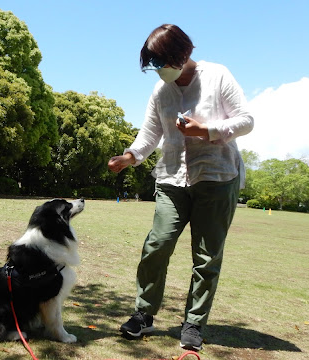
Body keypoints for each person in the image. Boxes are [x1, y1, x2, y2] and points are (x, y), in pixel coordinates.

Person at [107, 24, 253, 351]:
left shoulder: (217, 76)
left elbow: (246, 120)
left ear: (183, 54)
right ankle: (143, 314)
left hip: (216, 177)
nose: (159, 70)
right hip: (172, 178)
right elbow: (149, 135)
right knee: (156, 244)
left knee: (206, 256)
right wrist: (130, 156)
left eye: (162, 63)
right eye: (153, 65)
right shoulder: (161, 92)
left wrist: (207, 130)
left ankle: (194, 323)